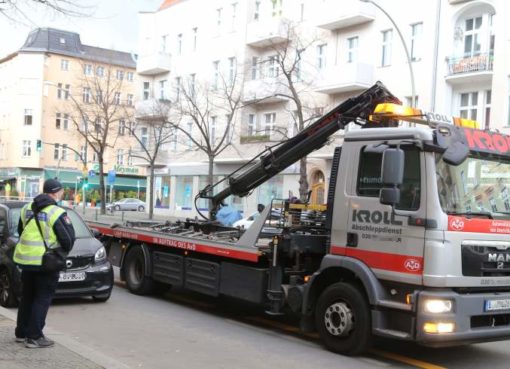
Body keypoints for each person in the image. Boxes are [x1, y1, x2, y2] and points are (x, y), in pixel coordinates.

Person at [13, 179, 76, 348]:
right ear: (57, 192)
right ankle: (34, 337)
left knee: (27, 296)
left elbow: (21, 231)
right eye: (62, 191)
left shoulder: (27, 208)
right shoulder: (55, 212)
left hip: (26, 260)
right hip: (46, 262)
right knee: (42, 298)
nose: (62, 194)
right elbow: (68, 239)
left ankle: (21, 333)